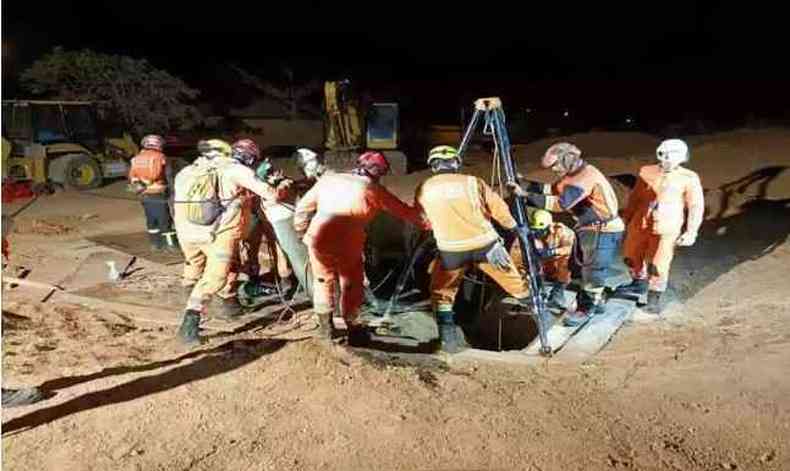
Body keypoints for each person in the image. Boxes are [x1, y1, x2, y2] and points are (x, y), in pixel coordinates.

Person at [294, 151, 427, 344]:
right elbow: (406, 213)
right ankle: (354, 329)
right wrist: (430, 223)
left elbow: (302, 209)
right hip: (348, 245)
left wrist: (301, 232)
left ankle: (325, 329)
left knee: (322, 281)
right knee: (351, 285)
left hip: (318, 240)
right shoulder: (373, 190)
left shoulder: (329, 180)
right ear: (378, 172)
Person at [415, 145, 532, 353]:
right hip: (486, 246)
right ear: (456, 163)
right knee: (516, 284)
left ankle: (448, 342)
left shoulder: (424, 187)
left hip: (451, 250)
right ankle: (541, 315)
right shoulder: (472, 182)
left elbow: (423, 220)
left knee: (442, 294)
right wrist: (515, 228)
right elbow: (499, 209)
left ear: (433, 166)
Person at [173, 139, 287, 345]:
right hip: (217, 233)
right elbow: (271, 195)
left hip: (186, 231)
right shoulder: (237, 170)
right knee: (215, 278)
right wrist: (280, 185)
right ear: (249, 157)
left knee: (195, 266)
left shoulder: (190, 170)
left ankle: (223, 304)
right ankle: (190, 322)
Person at [509, 143, 624, 326]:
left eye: (555, 165)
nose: (554, 170)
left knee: (593, 269)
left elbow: (560, 204)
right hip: (589, 227)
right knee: (579, 266)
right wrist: (525, 184)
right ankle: (595, 300)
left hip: (602, 229)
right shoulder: (572, 175)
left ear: (568, 159)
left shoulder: (584, 178)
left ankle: (586, 308)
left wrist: (525, 196)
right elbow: (552, 190)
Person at [617, 139, 704, 314]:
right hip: (640, 223)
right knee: (631, 255)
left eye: (672, 156)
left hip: (667, 227)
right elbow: (635, 198)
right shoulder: (646, 172)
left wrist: (691, 231)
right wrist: (626, 219)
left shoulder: (688, 178)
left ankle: (654, 299)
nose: (667, 160)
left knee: (658, 264)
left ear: (682, 157)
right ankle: (638, 283)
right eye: (664, 156)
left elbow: (695, 205)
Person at [512, 209, 575, 310]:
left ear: (549, 227)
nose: (538, 233)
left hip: (559, 269)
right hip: (541, 270)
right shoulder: (529, 236)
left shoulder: (563, 231)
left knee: (568, 258)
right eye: (536, 230)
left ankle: (558, 293)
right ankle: (536, 291)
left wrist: (552, 252)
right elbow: (516, 256)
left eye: (541, 230)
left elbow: (572, 248)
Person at [128, 134, 178, 252]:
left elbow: (131, 176)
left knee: (151, 219)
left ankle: (155, 244)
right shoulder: (160, 157)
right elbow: (165, 175)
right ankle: (170, 245)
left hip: (143, 193)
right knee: (164, 220)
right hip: (158, 193)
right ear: (158, 144)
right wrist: (172, 192)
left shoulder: (136, 158)